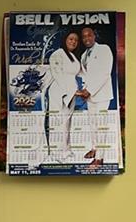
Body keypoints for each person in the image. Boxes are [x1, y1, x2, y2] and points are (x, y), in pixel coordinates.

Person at [76, 25, 114, 167]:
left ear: (94, 36)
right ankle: (94, 148)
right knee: (92, 124)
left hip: (102, 95)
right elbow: (86, 75)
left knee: (101, 125)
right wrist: (84, 90)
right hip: (90, 96)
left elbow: (105, 73)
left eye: (89, 35)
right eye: (84, 36)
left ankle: (99, 158)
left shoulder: (104, 49)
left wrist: (89, 90)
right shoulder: (83, 55)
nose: (86, 38)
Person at [45, 29, 81, 160]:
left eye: (76, 40)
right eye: (71, 39)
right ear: (65, 40)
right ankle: (56, 153)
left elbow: (79, 73)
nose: (73, 42)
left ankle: (66, 150)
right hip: (59, 91)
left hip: (72, 92)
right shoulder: (57, 54)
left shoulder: (73, 56)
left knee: (67, 123)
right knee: (58, 122)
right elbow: (57, 75)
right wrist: (70, 91)